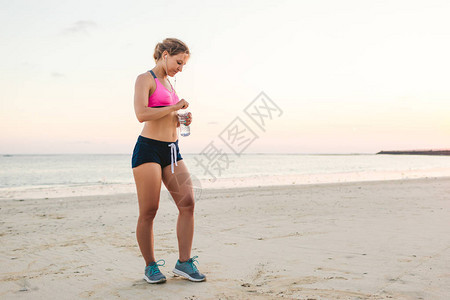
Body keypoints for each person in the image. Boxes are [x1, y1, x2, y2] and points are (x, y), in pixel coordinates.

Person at [131, 38, 206, 284]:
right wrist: (173, 106)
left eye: (183, 64)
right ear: (165, 54)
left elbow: (166, 116)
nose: (180, 68)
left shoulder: (169, 84)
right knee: (149, 210)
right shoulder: (146, 79)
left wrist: (180, 118)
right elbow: (142, 114)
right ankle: (150, 266)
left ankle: (184, 263)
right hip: (148, 150)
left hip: (172, 151)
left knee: (188, 203)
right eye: (178, 62)